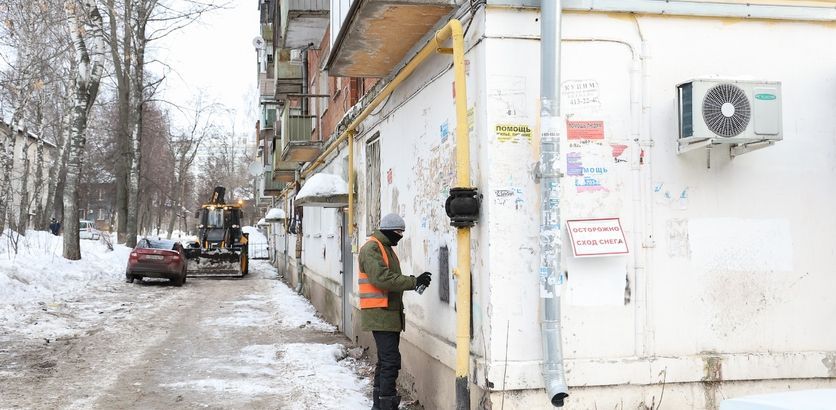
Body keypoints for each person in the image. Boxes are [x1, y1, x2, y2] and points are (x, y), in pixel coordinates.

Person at [358, 213, 432, 410]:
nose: (400, 235)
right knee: (390, 361)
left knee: (385, 362)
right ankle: (386, 405)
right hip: (379, 314)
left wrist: (414, 281)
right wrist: (413, 281)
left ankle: (380, 404)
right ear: (388, 230)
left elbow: (389, 278)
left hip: (388, 314)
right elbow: (381, 278)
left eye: (402, 232)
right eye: (398, 232)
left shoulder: (386, 248)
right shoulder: (372, 248)